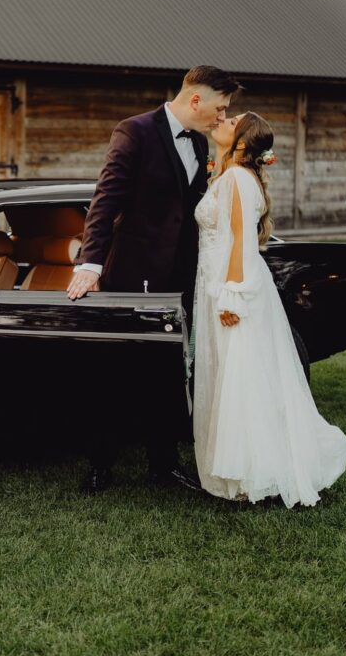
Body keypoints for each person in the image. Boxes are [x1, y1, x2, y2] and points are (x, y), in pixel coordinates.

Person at [67, 65, 240, 494]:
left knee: (169, 374)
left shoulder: (200, 144)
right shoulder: (135, 131)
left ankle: (163, 464)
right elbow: (105, 200)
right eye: (220, 109)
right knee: (114, 375)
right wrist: (90, 265)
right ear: (195, 99)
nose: (222, 118)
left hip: (179, 279)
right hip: (131, 275)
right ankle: (99, 466)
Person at [192, 112, 346, 507]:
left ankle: (251, 472)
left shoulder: (236, 179)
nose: (223, 119)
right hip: (219, 283)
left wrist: (232, 295)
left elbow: (242, 243)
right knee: (240, 375)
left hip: (234, 288)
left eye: (232, 120)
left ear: (242, 141)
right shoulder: (229, 175)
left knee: (242, 377)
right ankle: (244, 468)